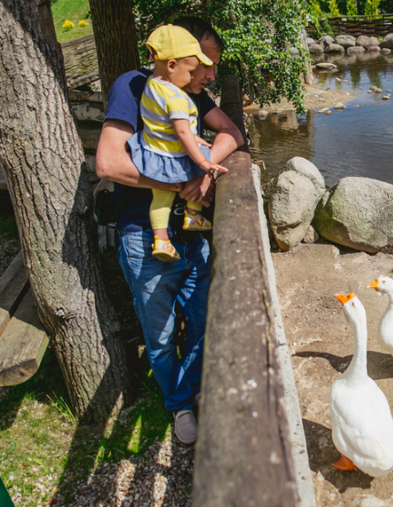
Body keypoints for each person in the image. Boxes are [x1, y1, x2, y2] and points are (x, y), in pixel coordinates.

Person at [95, 17, 244, 445]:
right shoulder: (134, 87)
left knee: (202, 320)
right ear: (178, 58)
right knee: (159, 338)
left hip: (191, 234)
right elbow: (108, 162)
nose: (211, 75)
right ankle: (179, 405)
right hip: (144, 237)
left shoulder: (192, 92)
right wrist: (180, 181)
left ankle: (195, 392)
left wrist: (205, 173)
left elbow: (232, 132)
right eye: (205, 64)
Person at [128, 24, 228, 262]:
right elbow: (182, 131)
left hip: (153, 153)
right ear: (173, 65)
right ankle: (192, 215)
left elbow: (229, 131)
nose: (209, 76)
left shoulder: (151, 86)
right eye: (196, 68)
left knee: (160, 199)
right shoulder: (176, 96)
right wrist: (204, 164)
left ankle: (161, 240)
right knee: (199, 160)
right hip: (171, 158)